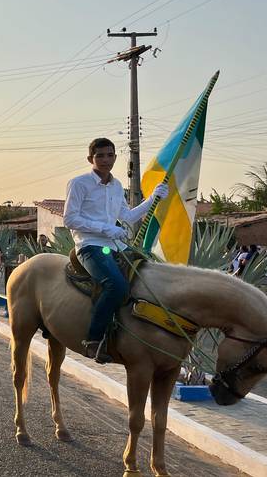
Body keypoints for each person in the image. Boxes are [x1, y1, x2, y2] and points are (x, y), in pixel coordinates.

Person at [63, 137, 168, 363]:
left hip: (114, 245)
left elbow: (128, 216)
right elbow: (70, 219)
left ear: (115, 157)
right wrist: (106, 229)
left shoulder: (118, 185)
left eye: (109, 155)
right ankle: (93, 339)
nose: (105, 159)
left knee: (145, 277)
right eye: (100, 155)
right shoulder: (79, 183)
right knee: (116, 285)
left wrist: (153, 199)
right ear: (90, 158)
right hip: (89, 245)